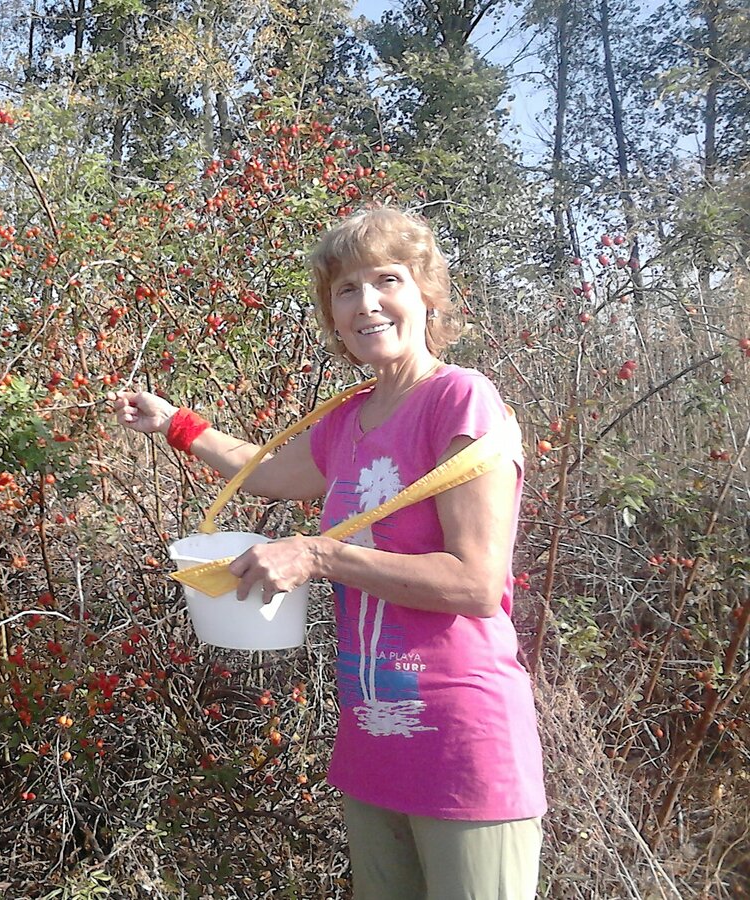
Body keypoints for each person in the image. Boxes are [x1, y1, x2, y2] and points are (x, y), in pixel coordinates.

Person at [111, 207, 546, 900]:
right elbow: (271, 474)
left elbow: (475, 583)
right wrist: (176, 425)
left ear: (427, 294)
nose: (367, 303)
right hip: (373, 740)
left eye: (387, 280)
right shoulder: (348, 419)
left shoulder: (461, 401)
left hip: (463, 742)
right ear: (333, 318)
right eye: (346, 290)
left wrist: (319, 556)